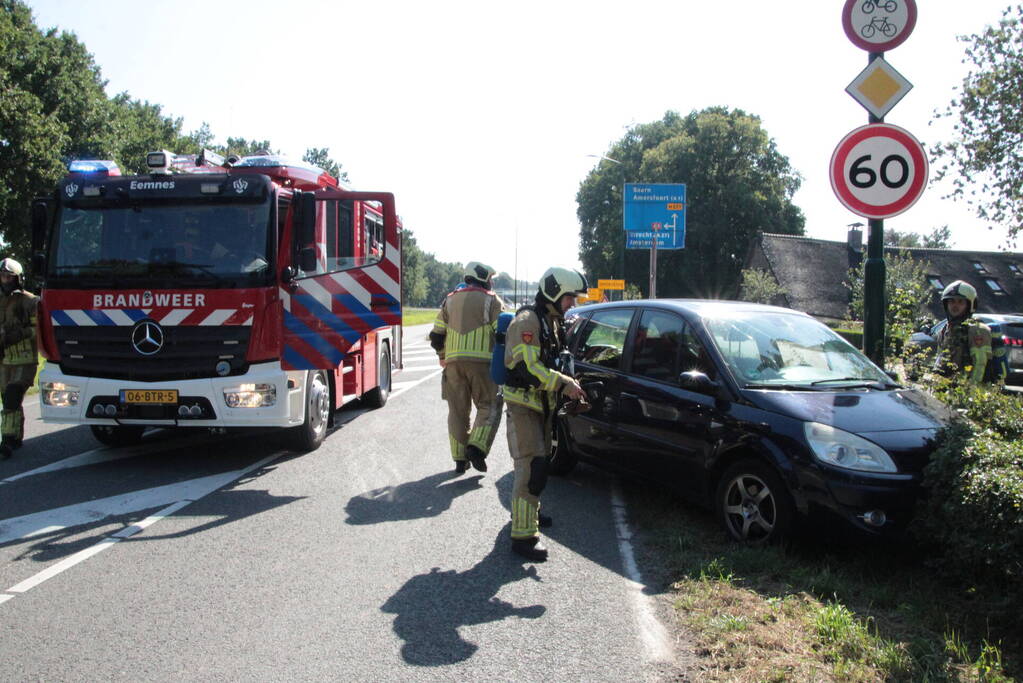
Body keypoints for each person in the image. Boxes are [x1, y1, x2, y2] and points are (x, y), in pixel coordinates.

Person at [502, 266, 587, 561]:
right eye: (569, 298)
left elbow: (553, 361)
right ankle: (523, 537)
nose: (572, 304)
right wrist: (563, 384)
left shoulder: (551, 321)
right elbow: (528, 369)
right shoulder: (528, 322)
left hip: (541, 405)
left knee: (540, 466)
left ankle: (529, 515)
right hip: (524, 404)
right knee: (532, 466)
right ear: (554, 292)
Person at [430, 262, 504, 474]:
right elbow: (502, 334)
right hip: (483, 365)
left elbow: (436, 336)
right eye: (490, 279)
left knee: (457, 412)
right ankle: (477, 448)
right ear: (483, 278)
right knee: (489, 405)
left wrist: (443, 355)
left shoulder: (450, 300)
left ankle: (460, 460)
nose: (492, 282)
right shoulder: (492, 301)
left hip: (453, 365)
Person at [0, 258, 39, 460]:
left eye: (9, 276)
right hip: (4, 360)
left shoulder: (30, 301)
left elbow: (38, 329)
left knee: (13, 395)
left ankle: (6, 441)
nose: (5, 279)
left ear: (18, 279)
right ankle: (16, 437)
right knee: (8, 400)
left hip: (25, 359)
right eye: (3, 276)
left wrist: (18, 334)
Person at [933, 280, 1005, 384]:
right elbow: (940, 359)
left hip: (973, 388)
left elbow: (980, 363)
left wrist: (971, 389)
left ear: (970, 305)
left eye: (960, 302)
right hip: (950, 385)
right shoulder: (944, 330)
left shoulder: (978, 330)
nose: (955, 306)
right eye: (951, 301)